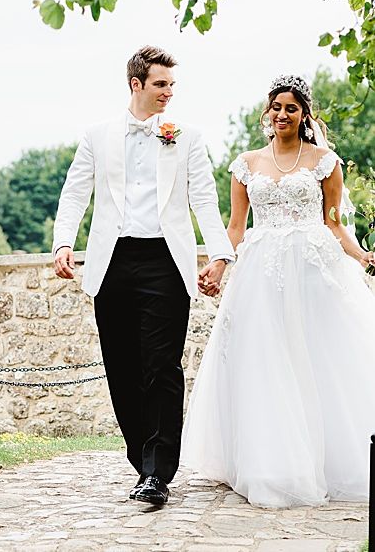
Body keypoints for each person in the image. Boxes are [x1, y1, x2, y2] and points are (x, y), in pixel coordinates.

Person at [181, 74, 375, 508]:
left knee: (320, 357)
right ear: (267, 114)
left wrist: (361, 257)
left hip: (312, 267)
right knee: (266, 361)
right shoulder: (246, 163)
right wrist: (216, 264)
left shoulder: (325, 161)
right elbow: (235, 228)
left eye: (291, 108)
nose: (282, 115)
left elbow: (334, 222)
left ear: (304, 114)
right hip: (262, 272)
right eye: (276, 108)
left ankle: (328, 461)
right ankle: (271, 463)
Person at [53, 45, 235, 505]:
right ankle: (141, 459)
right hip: (111, 263)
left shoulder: (187, 137)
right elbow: (75, 194)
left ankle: (158, 472)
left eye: (172, 85)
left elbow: (204, 200)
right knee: (122, 369)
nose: (168, 93)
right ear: (136, 84)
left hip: (165, 264)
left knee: (163, 369)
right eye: (160, 84)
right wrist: (62, 243)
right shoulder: (97, 136)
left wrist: (219, 253)